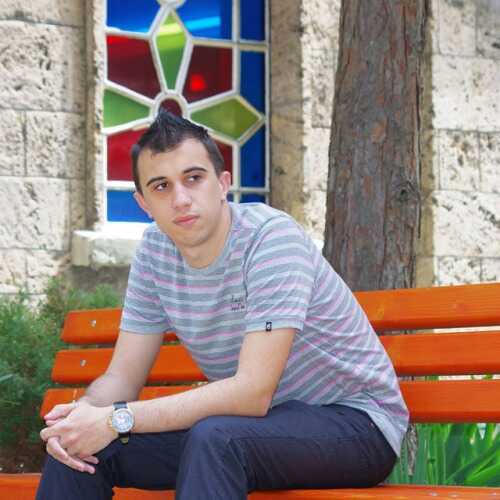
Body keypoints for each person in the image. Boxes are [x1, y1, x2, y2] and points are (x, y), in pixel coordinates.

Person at [37, 111, 408, 500]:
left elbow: (252, 392)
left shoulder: (270, 238)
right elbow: (122, 378)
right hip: (253, 430)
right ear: (144, 203)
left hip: (356, 426)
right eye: (161, 186)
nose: (181, 199)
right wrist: (82, 418)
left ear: (223, 184)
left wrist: (118, 418)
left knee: (216, 438)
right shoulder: (155, 252)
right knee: (78, 449)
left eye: (193, 178)